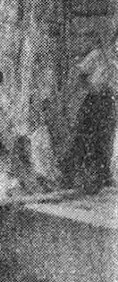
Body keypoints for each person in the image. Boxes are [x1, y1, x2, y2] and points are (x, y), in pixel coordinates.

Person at [59, 27, 117, 193]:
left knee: (105, 139)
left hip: (109, 103)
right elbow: (80, 74)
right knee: (83, 137)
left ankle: (102, 177)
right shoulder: (98, 55)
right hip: (93, 101)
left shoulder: (115, 62)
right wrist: (90, 87)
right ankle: (70, 175)